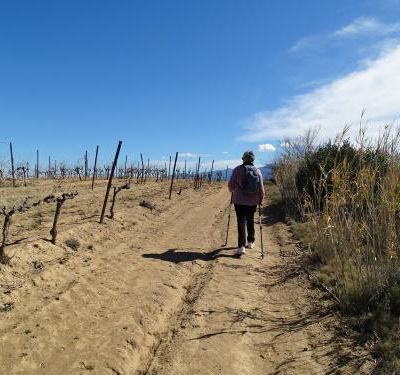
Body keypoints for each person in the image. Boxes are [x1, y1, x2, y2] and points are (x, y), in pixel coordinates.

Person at [228, 151, 265, 255]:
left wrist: (232, 191)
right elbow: (261, 189)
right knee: (250, 220)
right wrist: (261, 200)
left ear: (243, 159)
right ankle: (250, 242)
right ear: (253, 160)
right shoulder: (257, 171)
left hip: (239, 200)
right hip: (252, 201)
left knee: (241, 221)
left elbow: (231, 185)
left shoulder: (237, 170)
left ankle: (241, 247)